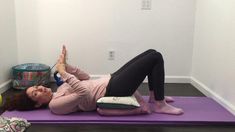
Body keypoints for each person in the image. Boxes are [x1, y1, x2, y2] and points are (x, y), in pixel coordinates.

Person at [3, 46, 183, 115]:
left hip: (112, 79)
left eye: (37, 87)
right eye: (36, 93)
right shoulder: (56, 105)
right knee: (155, 58)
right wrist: (64, 73)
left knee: (151, 52)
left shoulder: (59, 90)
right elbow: (84, 92)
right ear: (36, 105)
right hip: (112, 90)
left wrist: (66, 65)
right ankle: (159, 104)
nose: (41, 89)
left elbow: (85, 78)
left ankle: (154, 97)